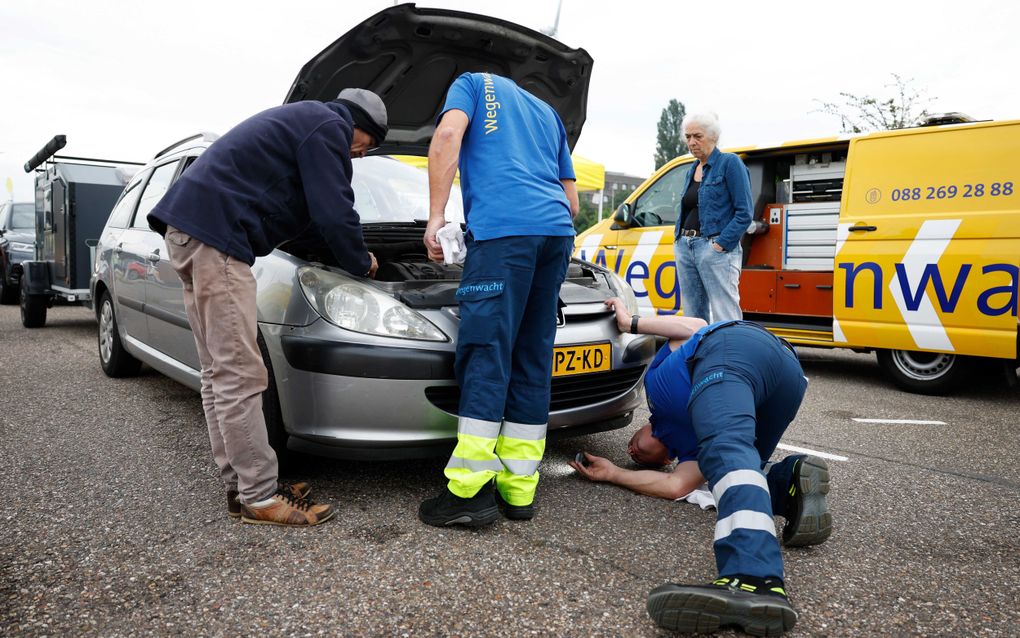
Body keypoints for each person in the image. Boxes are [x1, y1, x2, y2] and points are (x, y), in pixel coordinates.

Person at [147, 88, 388, 527]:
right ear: (358, 123)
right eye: (365, 145)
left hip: (190, 233)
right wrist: (360, 261)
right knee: (241, 372)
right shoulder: (328, 124)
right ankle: (259, 496)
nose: (357, 155)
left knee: (219, 373)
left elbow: (308, 221)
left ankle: (241, 484)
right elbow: (335, 212)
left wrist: (331, 251)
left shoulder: (303, 123)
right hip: (215, 240)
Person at [571, 298, 831, 636]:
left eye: (631, 449)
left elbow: (693, 326)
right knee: (739, 468)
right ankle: (790, 482)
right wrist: (614, 473)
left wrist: (628, 322)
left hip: (729, 349)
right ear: (667, 461)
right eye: (638, 459)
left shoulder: (659, 392)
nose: (633, 452)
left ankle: (753, 578)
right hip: (786, 375)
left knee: (728, 451)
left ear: (645, 425)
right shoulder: (695, 453)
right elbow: (675, 486)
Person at [418, 71, 579, 528]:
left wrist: (436, 218)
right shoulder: (547, 112)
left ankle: (467, 493)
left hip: (505, 233)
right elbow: (571, 203)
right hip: (555, 236)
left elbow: (448, 134)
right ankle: (518, 490)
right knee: (532, 355)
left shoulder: (470, 83)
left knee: (487, 353)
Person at [673, 112, 753, 323]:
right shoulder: (692, 169)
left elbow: (744, 213)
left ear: (714, 137)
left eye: (697, 136)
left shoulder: (730, 163)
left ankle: (729, 355)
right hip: (686, 247)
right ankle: (700, 356)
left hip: (713, 248)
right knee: (692, 316)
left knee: (724, 314)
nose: (691, 142)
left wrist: (719, 245)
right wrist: (679, 241)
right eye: (688, 137)